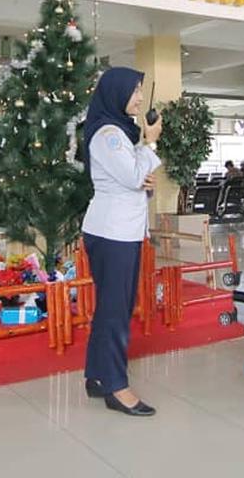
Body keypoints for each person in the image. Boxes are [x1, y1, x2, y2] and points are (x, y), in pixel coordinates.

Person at [81, 67, 163, 417]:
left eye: (142, 90)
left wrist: (142, 164)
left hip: (120, 230)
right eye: (135, 91)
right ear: (116, 93)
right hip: (112, 233)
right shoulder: (108, 133)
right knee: (116, 310)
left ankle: (97, 376)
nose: (141, 98)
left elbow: (135, 178)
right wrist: (151, 141)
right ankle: (117, 387)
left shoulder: (118, 132)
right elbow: (132, 177)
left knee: (112, 308)